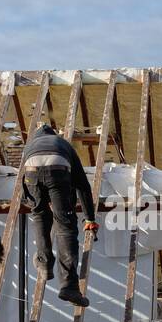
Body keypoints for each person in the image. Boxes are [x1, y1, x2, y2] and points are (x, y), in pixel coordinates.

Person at [20, 123, 99, 307]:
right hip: (58, 168)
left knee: (39, 216)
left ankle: (45, 264)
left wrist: (35, 204)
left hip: (31, 170)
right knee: (65, 228)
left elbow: (24, 186)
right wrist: (90, 218)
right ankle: (69, 287)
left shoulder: (30, 146)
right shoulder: (63, 145)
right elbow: (82, 185)